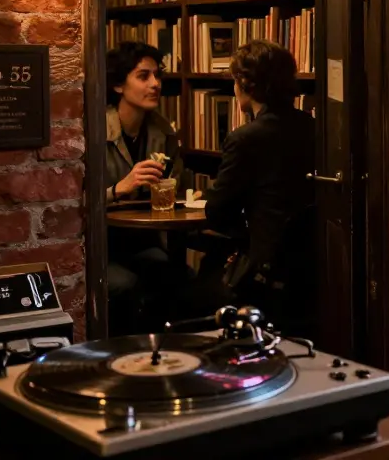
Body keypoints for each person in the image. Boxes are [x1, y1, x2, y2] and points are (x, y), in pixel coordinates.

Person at [192, 40, 316, 335]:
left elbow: (218, 211)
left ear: (246, 84)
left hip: (263, 271)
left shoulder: (245, 138)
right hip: (306, 266)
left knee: (190, 290)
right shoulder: (312, 127)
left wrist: (244, 234)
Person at [104, 41, 188, 335]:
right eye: (143, 76)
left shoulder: (164, 132)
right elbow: (72, 202)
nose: (155, 84)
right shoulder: (93, 130)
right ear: (118, 85)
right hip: (102, 246)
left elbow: (176, 191)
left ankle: (166, 356)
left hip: (144, 240)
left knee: (176, 275)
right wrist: (119, 188)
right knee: (124, 284)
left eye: (157, 76)